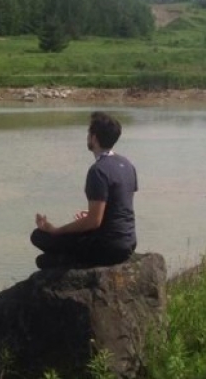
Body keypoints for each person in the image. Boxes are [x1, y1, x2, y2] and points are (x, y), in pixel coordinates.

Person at [31, 111, 137, 269]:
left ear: (94, 138)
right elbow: (121, 207)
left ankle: (69, 262)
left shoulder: (98, 171)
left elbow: (94, 222)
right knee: (47, 257)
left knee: (39, 237)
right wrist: (90, 217)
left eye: (89, 133)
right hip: (129, 242)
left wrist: (56, 230)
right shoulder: (127, 164)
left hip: (108, 246)